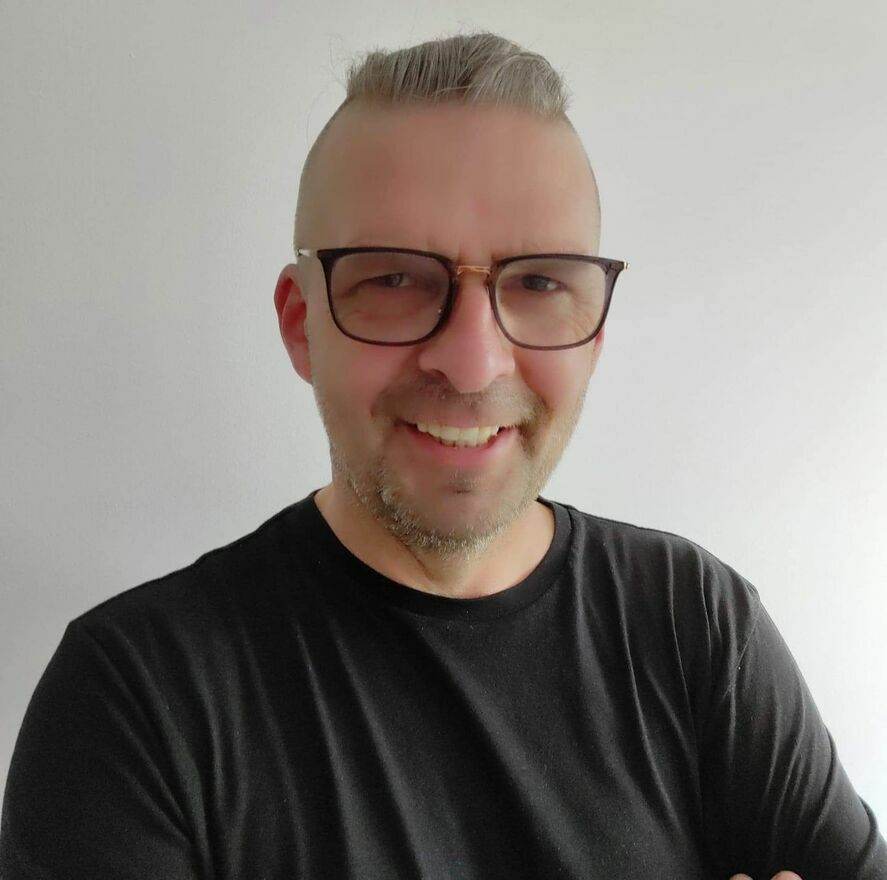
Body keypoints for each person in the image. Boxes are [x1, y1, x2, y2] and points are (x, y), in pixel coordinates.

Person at [1, 32, 884, 880]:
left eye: (538, 281)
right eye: (392, 278)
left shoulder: (695, 623)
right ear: (301, 324)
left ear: (594, 330)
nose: (471, 363)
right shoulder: (137, 695)